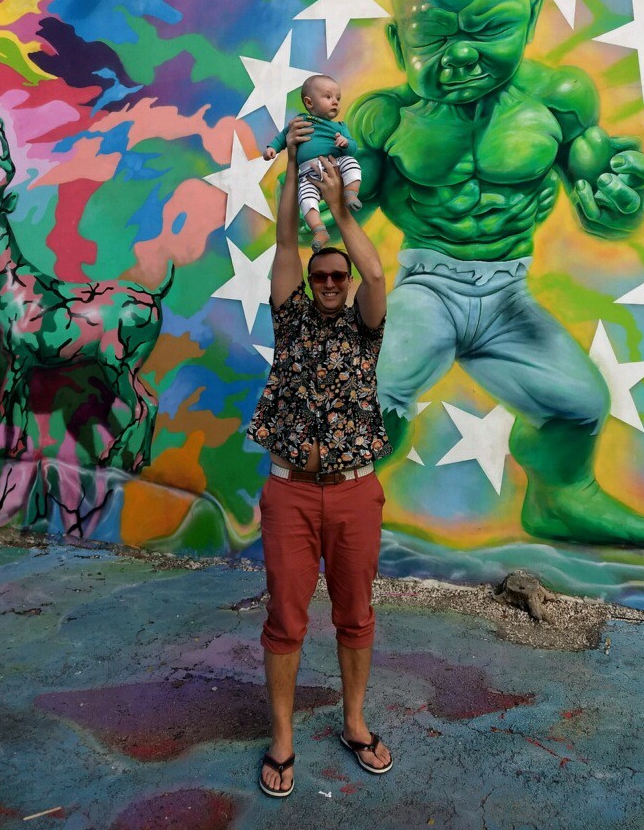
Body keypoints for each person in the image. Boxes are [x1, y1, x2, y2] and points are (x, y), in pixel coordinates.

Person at [343, 0, 644, 550]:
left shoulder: (560, 99)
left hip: (507, 297)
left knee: (580, 404)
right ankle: (338, 501)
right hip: (427, 288)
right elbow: (339, 216)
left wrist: (617, 204)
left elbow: (601, 198)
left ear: (529, 18)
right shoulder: (386, 118)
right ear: (397, 42)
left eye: (491, 26)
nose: (461, 55)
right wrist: (317, 191)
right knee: (373, 388)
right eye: (432, 35)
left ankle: (561, 498)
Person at [248, 117, 393, 798]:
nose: (332, 281)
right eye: (322, 275)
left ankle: (354, 722)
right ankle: (282, 739)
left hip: (355, 491)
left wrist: (339, 210)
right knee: (285, 617)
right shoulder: (292, 319)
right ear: (310, 283)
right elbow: (285, 241)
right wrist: (291, 166)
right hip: (291, 492)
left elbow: (376, 270)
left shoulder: (366, 329)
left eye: (339, 274)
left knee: (355, 614)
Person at [264, 75, 362, 252]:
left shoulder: (340, 126)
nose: (335, 102)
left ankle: (350, 193)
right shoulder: (300, 122)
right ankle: (319, 231)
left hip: (335, 164)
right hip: (308, 173)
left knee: (351, 163)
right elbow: (283, 137)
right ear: (309, 103)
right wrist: (272, 148)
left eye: (338, 98)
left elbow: (353, 148)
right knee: (306, 199)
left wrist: (345, 143)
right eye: (328, 97)